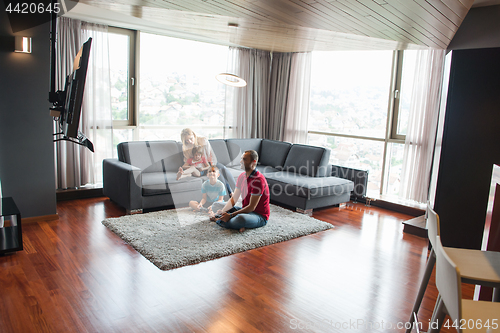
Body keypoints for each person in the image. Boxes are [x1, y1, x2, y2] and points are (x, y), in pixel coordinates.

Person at [210, 149, 270, 232]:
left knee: (240, 219)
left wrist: (230, 215)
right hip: (245, 211)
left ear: (253, 162)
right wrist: (223, 212)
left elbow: (251, 207)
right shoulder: (242, 176)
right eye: (241, 158)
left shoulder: (258, 180)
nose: (241, 161)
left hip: (258, 216)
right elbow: (234, 199)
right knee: (216, 205)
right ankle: (234, 224)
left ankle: (220, 221)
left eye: (244, 159)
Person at [178, 128, 236, 194]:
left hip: (209, 163)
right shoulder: (185, 147)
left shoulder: (203, 140)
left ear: (194, 135)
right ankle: (230, 193)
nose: (189, 141)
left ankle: (236, 191)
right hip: (199, 167)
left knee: (223, 169)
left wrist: (212, 166)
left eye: (191, 139)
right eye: (187, 140)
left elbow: (210, 155)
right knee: (217, 173)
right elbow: (187, 161)